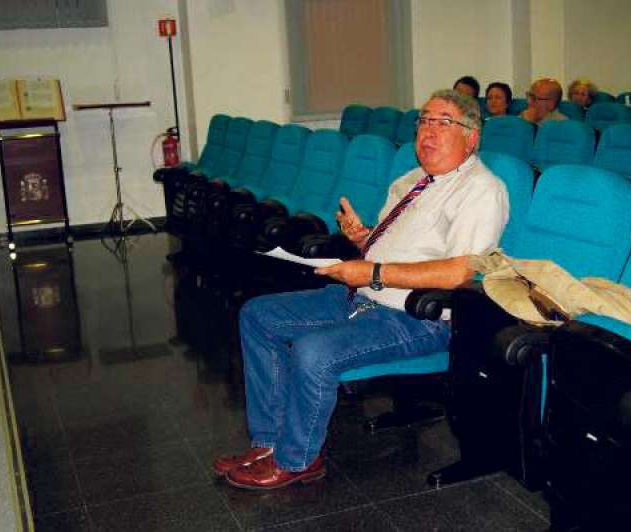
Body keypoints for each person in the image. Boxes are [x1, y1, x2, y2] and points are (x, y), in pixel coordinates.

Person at [213, 89, 509, 490]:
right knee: (258, 316)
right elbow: (397, 251)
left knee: (313, 350)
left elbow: (459, 272)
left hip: (416, 319)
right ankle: (269, 443)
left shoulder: (481, 191)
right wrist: (363, 239)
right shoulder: (410, 181)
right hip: (363, 298)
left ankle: (298, 459)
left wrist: (372, 270)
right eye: (424, 120)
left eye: (443, 122)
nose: (428, 131)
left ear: (471, 136)